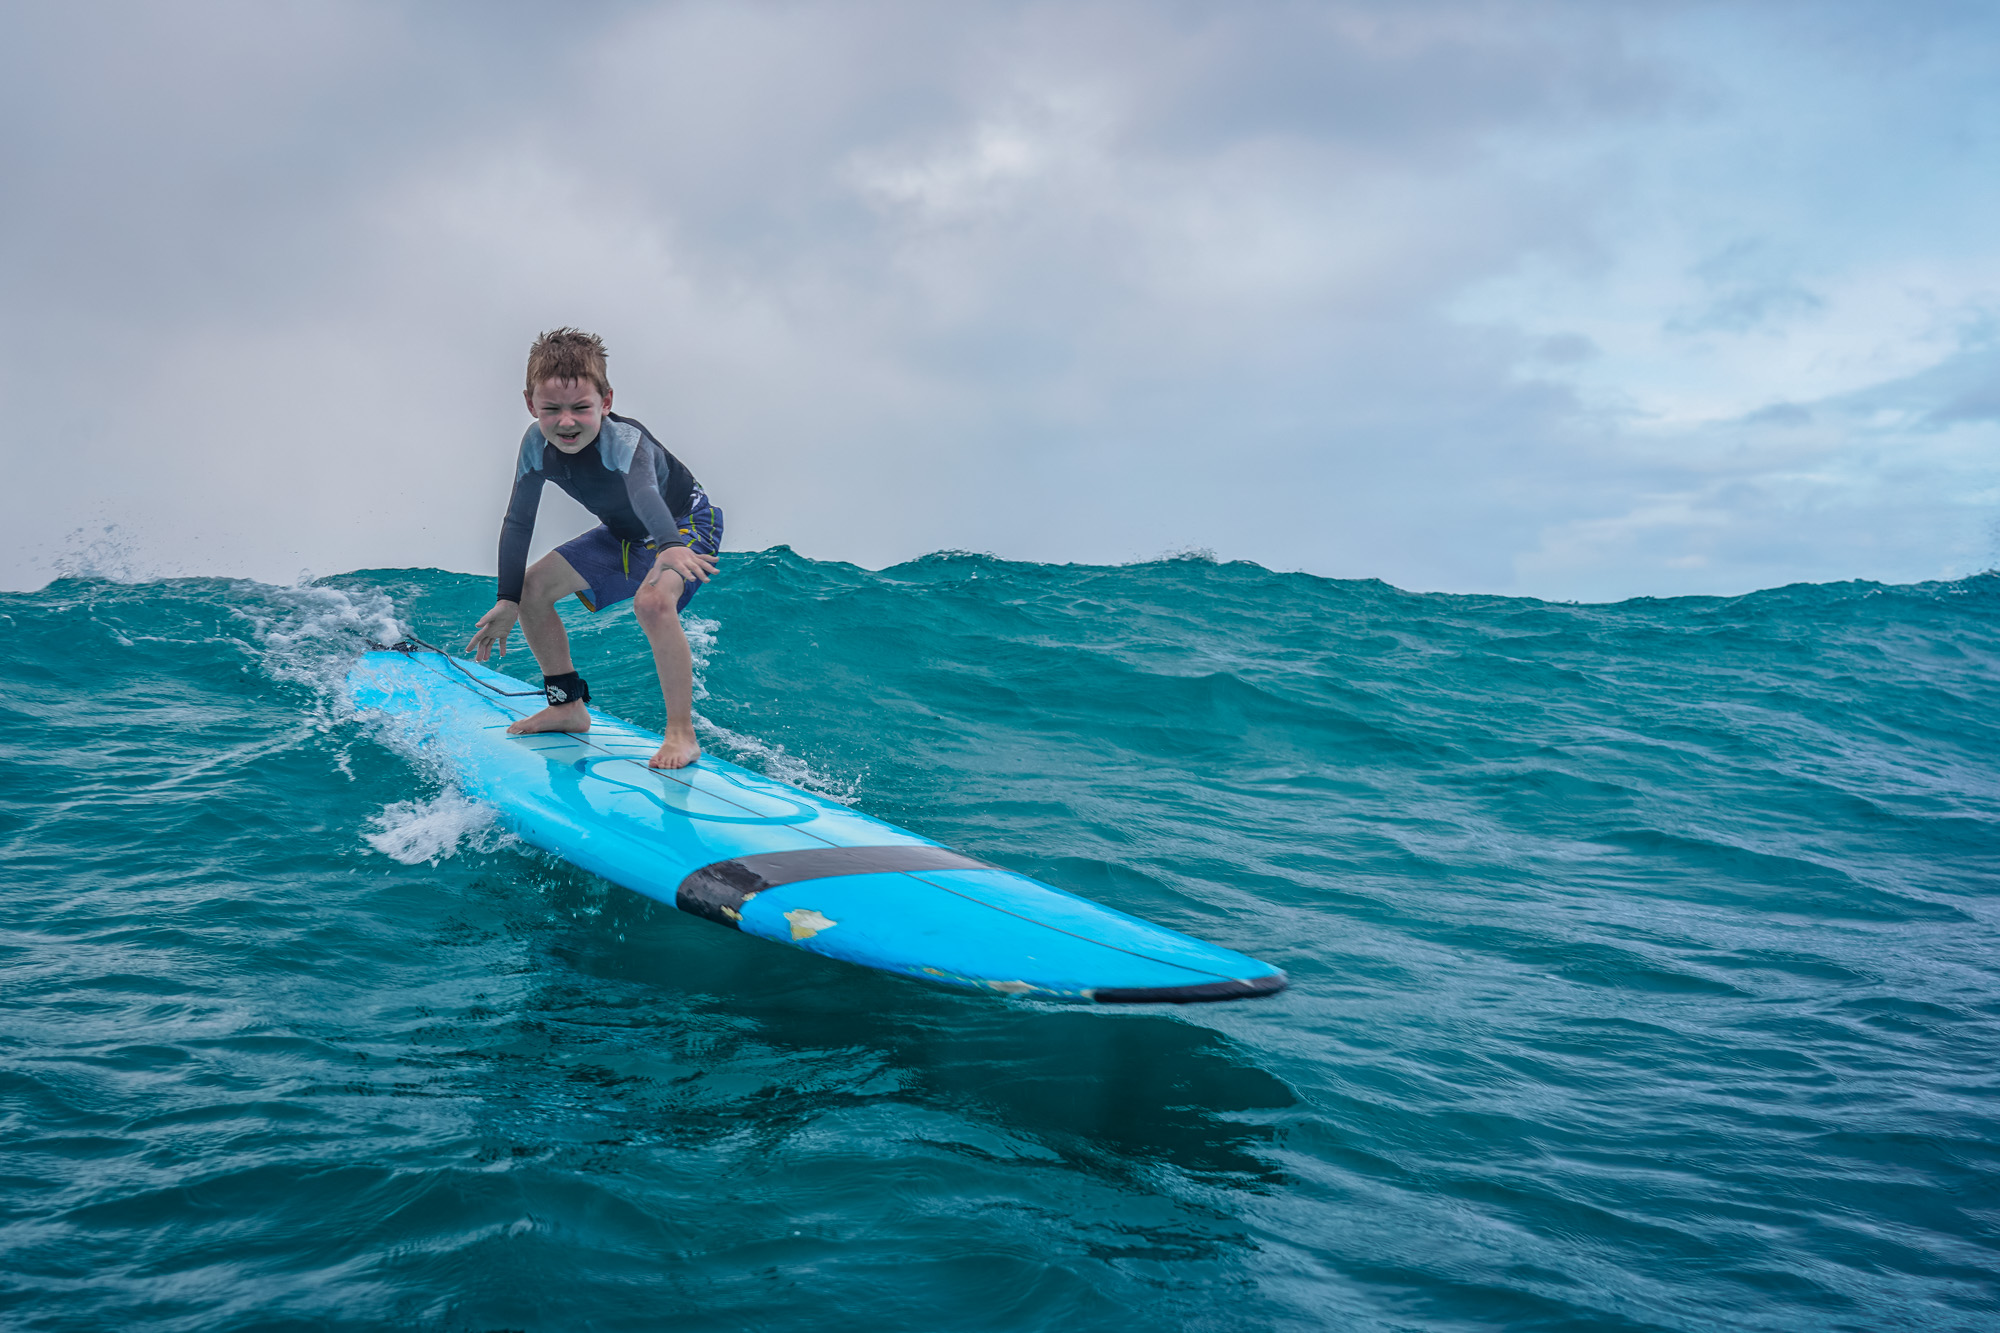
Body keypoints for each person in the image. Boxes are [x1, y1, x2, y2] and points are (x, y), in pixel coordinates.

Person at [466, 328, 722, 770]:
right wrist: (507, 599)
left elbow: (644, 492)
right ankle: (566, 705)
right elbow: (518, 520)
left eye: (581, 408)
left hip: (681, 523)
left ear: (606, 401)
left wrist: (669, 545)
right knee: (531, 589)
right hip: (623, 534)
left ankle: (682, 733)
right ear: (531, 404)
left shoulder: (624, 442)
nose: (566, 422)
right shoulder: (534, 445)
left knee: (653, 603)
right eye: (551, 410)